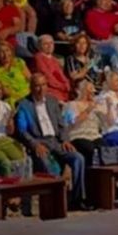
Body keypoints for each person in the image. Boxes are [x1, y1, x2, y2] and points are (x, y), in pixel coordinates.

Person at [15, 73, 89, 209]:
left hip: (56, 141)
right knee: (47, 164)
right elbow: (22, 130)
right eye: (37, 85)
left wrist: (65, 140)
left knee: (78, 158)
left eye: (43, 85)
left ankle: (77, 199)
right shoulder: (24, 105)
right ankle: (57, 202)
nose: (40, 89)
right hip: (39, 142)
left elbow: (61, 124)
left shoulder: (52, 100)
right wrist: (35, 144)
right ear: (31, 87)